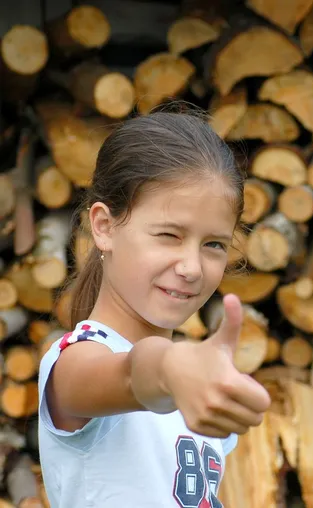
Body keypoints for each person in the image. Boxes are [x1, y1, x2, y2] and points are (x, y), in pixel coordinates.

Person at [37, 109, 272, 508]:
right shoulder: (73, 365)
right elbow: (134, 374)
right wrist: (171, 368)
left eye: (214, 244)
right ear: (104, 227)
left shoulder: (198, 389)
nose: (191, 268)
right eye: (168, 235)